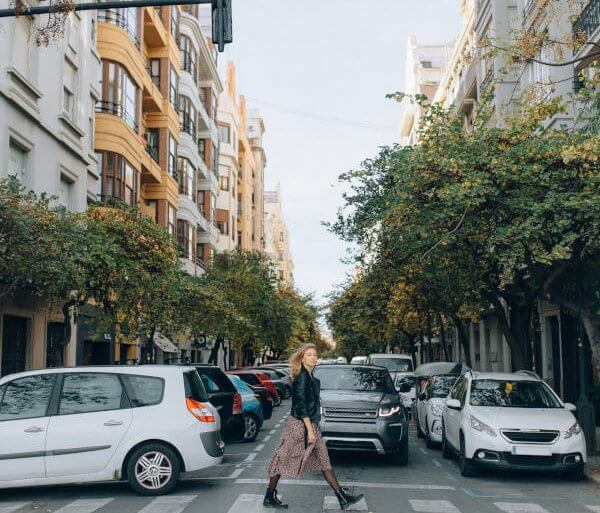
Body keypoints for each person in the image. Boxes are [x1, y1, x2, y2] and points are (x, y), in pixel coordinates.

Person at [264, 343, 363, 510]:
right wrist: (310, 430)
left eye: (315, 355)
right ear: (302, 358)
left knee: (324, 460)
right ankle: (269, 495)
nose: (313, 357)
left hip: (310, 425)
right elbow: (301, 405)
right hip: (298, 426)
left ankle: (342, 497)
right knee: (283, 459)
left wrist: (312, 428)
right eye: (309, 354)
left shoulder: (310, 378)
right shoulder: (302, 377)